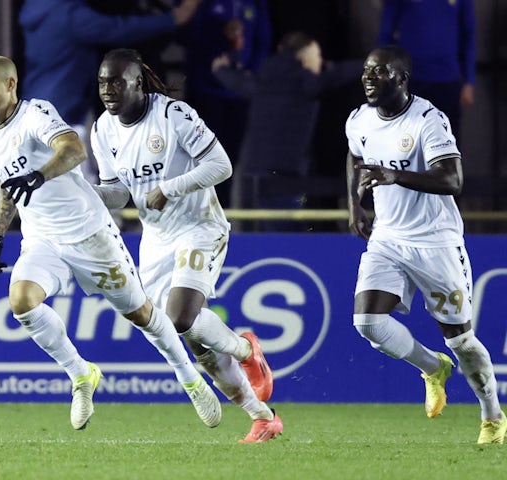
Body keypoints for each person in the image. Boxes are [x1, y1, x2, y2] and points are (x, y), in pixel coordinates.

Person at [0, 54, 222, 431]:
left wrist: (39, 177)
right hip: (42, 239)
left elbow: (74, 149)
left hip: (90, 233)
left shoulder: (36, 113)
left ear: (10, 84)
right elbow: (9, 187)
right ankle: (81, 374)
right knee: (21, 302)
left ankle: (190, 378)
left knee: (141, 315)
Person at [89, 48, 283, 443]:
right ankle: (262, 416)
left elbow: (221, 165)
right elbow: (117, 193)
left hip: (199, 227)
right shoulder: (101, 130)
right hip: (156, 240)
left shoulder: (173, 115)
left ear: (137, 82)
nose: (108, 90)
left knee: (179, 318)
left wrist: (170, 187)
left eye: (116, 81)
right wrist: (83, 195)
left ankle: (247, 351)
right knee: (197, 344)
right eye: (102, 82)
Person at [345, 46, 506, 444]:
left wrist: (395, 177)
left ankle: (493, 416)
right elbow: (355, 159)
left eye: (379, 72)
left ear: (401, 79)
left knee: (462, 341)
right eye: (366, 70)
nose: (368, 77)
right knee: (367, 322)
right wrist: (355, 209)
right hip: (388, 238)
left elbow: (452, 180)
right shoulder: (359, 119)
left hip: (435, 243)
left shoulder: (428, 120)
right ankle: (433, 367)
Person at [18, 0, 201, 184]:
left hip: (36, 107)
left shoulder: (37, 8)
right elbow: (117, 29)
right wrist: (172, 18)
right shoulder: (69, 15)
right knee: (80, 191)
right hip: (62, 117)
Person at [212, 31, 362, 231]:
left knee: (255, 241)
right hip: (283, 176)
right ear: (304, 57)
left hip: (250, 172)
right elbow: (342, 73)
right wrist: (374, 63)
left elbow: (238, 81)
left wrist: (221, 70)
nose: (321, 61)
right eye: (316, 55)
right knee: (287, 238)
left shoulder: (263, 78)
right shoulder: (305, 81)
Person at [182, 0, 272, 207]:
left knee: (230, 159)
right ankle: (196, 214)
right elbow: (187, 36)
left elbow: (263, 38)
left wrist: (252, 70)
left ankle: (223, 212)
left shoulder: (256, 5)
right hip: (206, 91)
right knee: (201, 157)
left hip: (239, 93)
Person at [377, 0, 476, 139]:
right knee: (408, 145)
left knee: (447, 146)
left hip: (449, 82)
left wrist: (469, 81)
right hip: (410, 81)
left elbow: (468, 34)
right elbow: (385, 34)